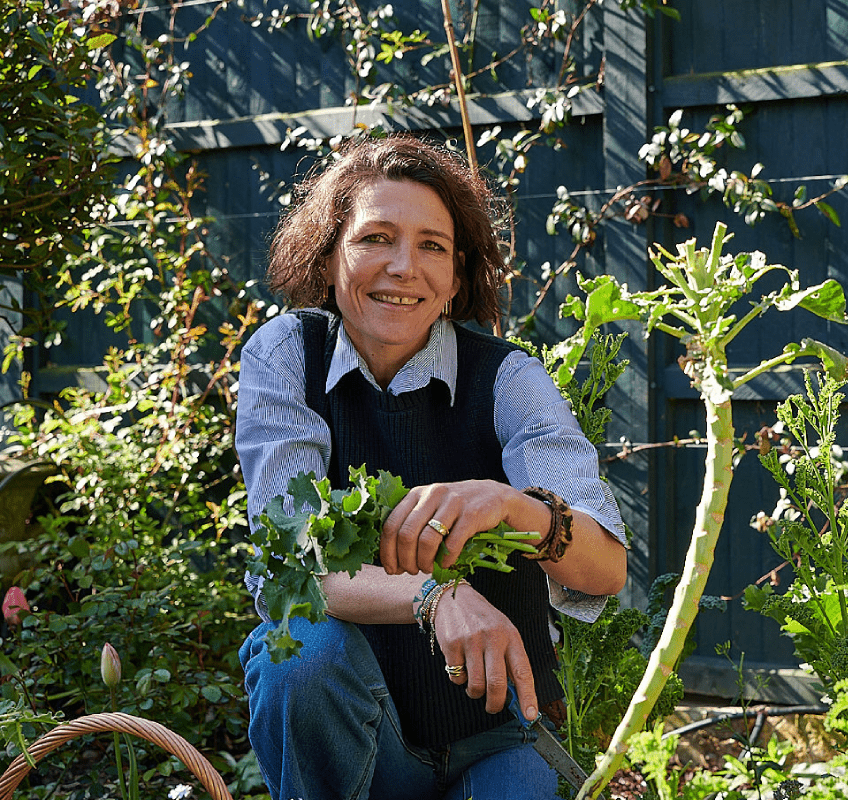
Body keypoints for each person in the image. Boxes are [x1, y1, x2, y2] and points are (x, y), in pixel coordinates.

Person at [235, 133, 627, 800]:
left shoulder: (508, 378)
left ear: (456, 278)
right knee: (299, 656)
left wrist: (520, 509)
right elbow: (288, 566)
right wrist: (435, 595)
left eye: (433, 246)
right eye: (375, 238)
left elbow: (605, 569)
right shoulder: (286, 357)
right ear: (327, 258)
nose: (403, 267)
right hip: (359, 730)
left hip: (498, 731)